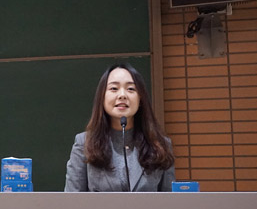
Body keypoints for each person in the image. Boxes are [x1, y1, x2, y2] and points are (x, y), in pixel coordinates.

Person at [65, 63, 175, 192]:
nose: (122, 95)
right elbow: (72, 199)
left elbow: (170, 201)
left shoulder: (160, 145)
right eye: (114, 88)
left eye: (131, 89)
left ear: (140, 98)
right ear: (102, 97)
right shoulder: (84, 144)